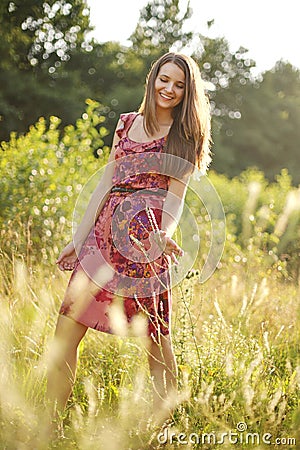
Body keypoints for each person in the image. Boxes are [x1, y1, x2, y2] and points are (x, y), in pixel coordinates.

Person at [47, 52, 212, 428]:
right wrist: (79, 237)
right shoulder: (125, 124)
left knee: (155, 340)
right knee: (66, 330)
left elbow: (176, 197)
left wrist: (162, 235)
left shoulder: (183, 135)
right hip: (102, 239)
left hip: (143, 244)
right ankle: (49, 425)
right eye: (164, 79)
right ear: (152, 78)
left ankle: (163, 425)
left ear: (187, 93)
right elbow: (106, 183)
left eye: (179, 85)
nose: (169, 89)